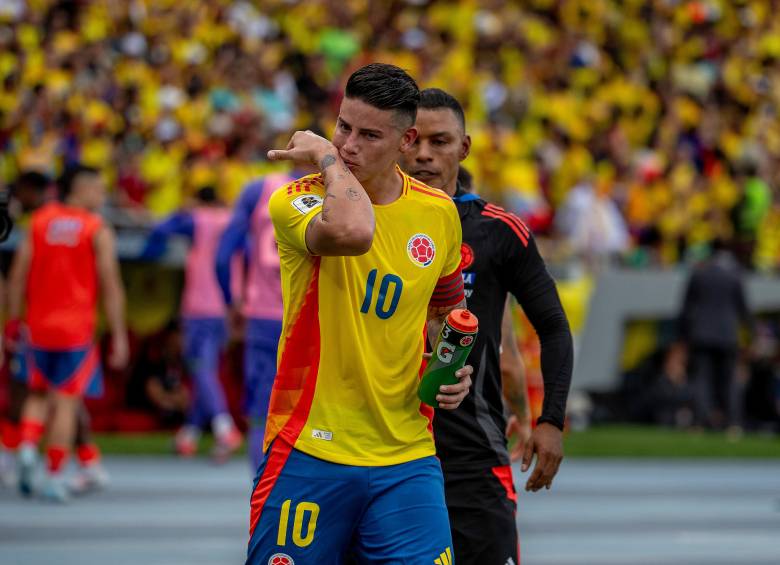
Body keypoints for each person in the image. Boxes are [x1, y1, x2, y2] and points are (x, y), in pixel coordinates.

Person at [246, 63, 473, 564]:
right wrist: (328, 161)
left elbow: (447, 309)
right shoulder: (298, 198)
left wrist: (452, 365)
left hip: (407, 454)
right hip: (310, 446)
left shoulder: (438, 213)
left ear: (406, 140)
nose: (348, 144)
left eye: (369, 134)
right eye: (343, 127)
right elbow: (352, 232)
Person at [400, 88, 574, 564]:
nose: (423, 154)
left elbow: (553, 328)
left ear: (465, 148)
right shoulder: (364, 223)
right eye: (413, 140)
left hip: (472, 459)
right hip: (382, 454)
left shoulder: (499, 231)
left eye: (439, 141)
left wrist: (551, 420)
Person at [6, 164, 129, 502]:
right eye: (98, 189)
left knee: (36, 393)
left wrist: (15, 321)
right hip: (76, 331)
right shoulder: (96, 228)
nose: (102, 196)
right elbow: (111, 285)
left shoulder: (40, 221)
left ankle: (28, 447)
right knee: (65, 402)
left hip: (38, 327)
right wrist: (118, 334)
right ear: (81, 189)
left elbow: (18, 275)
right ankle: (54, 473)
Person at [141, 186, 243, 460]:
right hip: (225, 305)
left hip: (199, 306)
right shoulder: (233, 218)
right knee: (206, 371)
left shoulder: (196, 218)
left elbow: (160, 229)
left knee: (202, 370)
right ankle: (189, 435)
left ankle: (225, 428)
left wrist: (155, 249)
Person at [216, 169, 306, 471]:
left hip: (264, 316)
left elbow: (223, 255)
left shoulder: (259, 189)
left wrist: (232, 303)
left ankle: (261, 488)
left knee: (261, 411)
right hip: (313, 316)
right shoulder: (338, 184)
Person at [678, 238, 753, 432]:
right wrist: (751, 335)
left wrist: (683, 335)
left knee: (702, 379)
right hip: (728, 335)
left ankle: (700, 422)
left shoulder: (700, 273)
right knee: (729, 380)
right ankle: (733, 424)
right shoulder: (735, 274)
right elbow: (744, 309)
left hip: (701, 334)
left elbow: (686, 309)